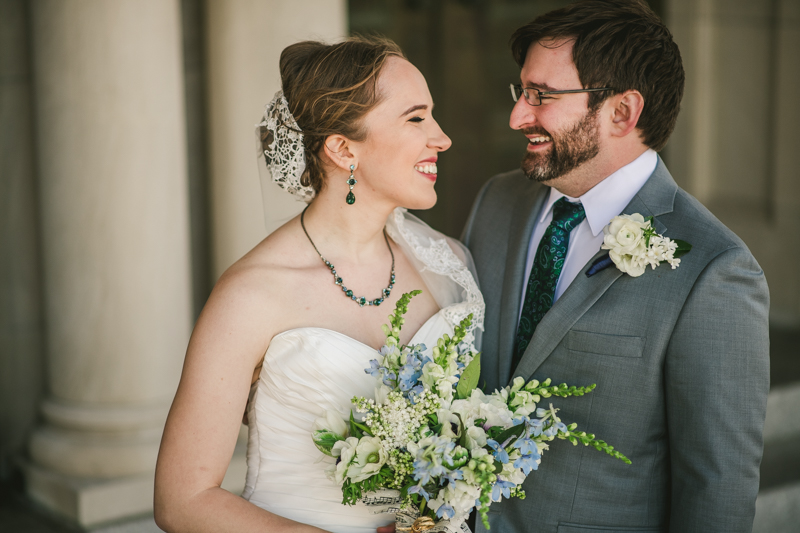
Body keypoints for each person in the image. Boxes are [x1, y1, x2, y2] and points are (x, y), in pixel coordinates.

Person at [154, 36, 484, 533]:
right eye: (416, 118)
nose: (442, 137)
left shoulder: (447, 263)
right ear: (343, 148)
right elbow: (182, 501)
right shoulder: (251, 295)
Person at [461, 1, 769, 532]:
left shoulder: (715, 270)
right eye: (522, 92)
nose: (517, 116)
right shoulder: (496, 203)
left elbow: (716, 489)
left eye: (543, 96)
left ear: (622, 113)